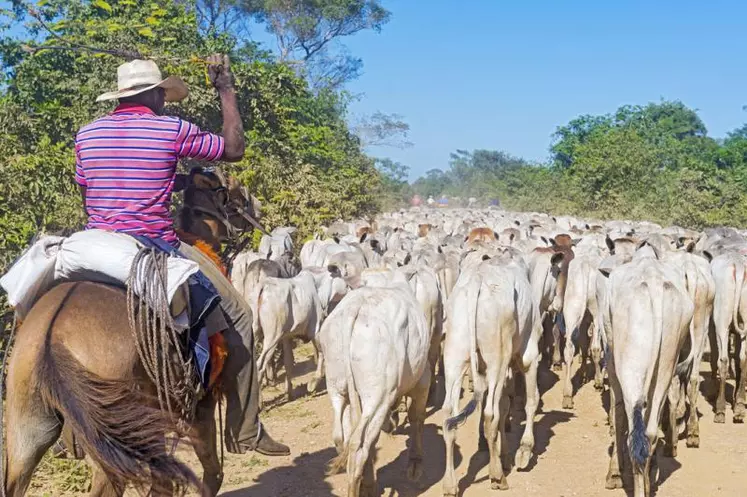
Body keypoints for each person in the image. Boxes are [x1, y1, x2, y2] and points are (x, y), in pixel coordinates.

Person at [74, 55, 289, 456]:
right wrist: (225, 88)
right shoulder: (171, 129)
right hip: (152, 243)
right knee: (239, 316)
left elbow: (90, 187)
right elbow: (234, 149)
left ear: (120, 97)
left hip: (94, 243)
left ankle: (68, 436)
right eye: (163, 96)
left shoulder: (87, 134)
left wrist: (165, 180)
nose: (166, 103)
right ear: (155, 95)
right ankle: (245, 431)